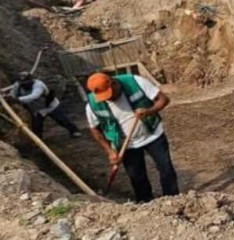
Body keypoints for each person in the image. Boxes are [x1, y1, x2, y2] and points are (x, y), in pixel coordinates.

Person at [85, 72, 179, 202]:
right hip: (126, 145)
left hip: (153, 135)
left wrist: (149, 111)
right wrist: (110, 151)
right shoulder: (93, 104)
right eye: (103, 96)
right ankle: (145, 203)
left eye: (108, 94)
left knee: (166, 169)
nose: (107, 99)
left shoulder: (135, 82)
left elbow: (164, 99)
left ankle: (172, 200)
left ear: (113, 83)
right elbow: (94, 129)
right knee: (137, 177)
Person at [10, 72, 81, 139]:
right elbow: (12, 94)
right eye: (23, 83)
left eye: (27, 83)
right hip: (37, 109)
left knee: (62, 120)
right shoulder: (17, 86)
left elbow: (34, 96)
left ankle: (74, 131)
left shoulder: (38, 85)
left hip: (50, 106)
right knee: (36, 126)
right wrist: (10, 97)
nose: (25, 85)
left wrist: (18, 99)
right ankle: (38, 140)